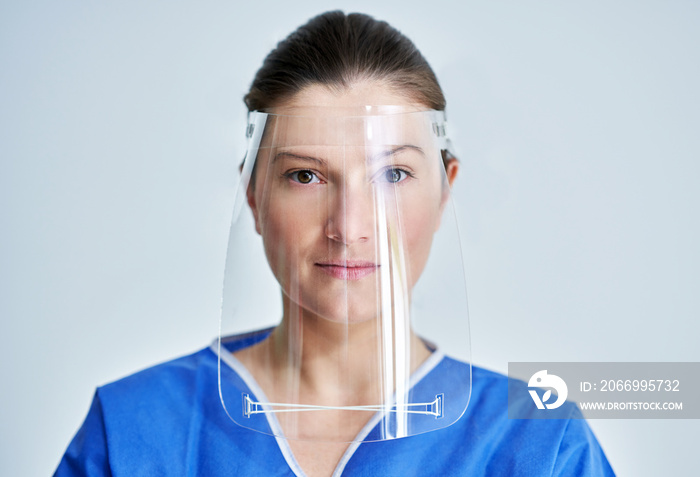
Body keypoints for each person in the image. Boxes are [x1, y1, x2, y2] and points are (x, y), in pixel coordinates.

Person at [54, 11, 614, 477]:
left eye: (393, 175)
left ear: (446, 193)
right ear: (253, 197)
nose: (349, 226)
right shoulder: (133, 430)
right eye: (305, 176)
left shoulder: (540, 445)